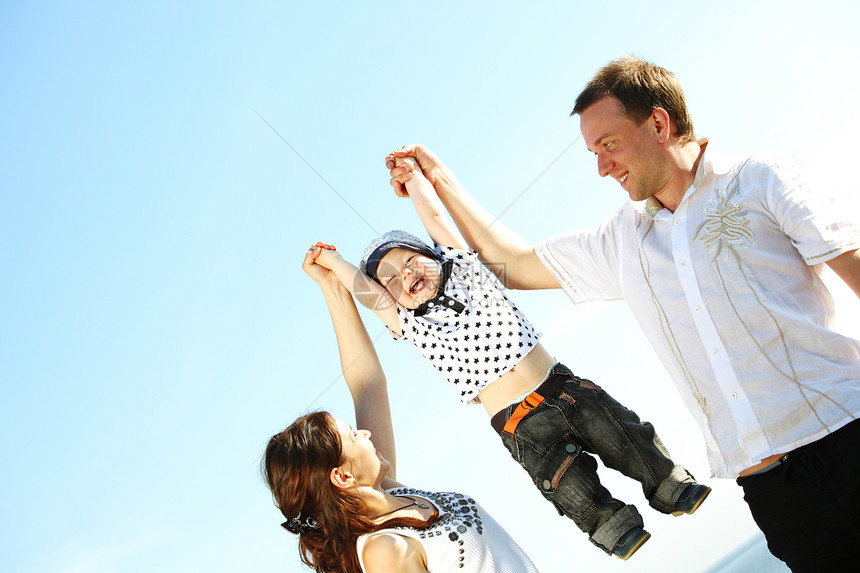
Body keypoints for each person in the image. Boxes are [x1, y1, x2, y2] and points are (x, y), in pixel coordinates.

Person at [384, 56, 860, 573]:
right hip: (776, 494)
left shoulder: (761, 179)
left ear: (659, 124)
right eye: (593, 152)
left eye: (608, 144)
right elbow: (515, 265)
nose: (601, 166)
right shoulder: (622, 242)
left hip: (849, 434)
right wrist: (436, 181)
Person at [311, 157, 711, 560]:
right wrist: (332, 262)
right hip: (519, 424)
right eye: (391, 280)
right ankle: (612, 525)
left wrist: (414, 180)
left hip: (564, 387)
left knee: (622, 433)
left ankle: (669, 483)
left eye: (411, 260)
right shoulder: (410, 324)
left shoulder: (467, 270)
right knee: (564, 481)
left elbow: (434, 215)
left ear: (436, 256)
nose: (405, 276)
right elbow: (365, 290)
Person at [262, 244, 540, 573]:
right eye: (353, 435)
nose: (364, 432)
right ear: (342, 476)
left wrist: (333, 287)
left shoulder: (394, 493)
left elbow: (368, 385)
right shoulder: (384, 548)